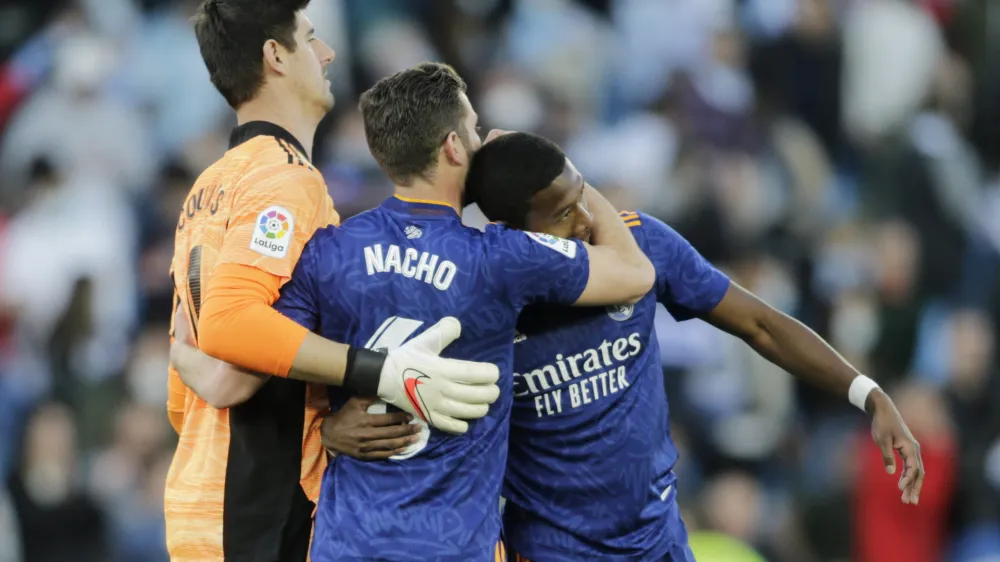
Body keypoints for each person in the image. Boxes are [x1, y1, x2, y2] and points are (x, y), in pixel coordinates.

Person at [325, 132, 927, 562]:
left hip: (659, 539)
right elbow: (392, 384)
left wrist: (869, 394)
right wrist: (327, 428)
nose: (588, 220)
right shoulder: (480, 295)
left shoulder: (639, 246)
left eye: (583, 195)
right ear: (515, 231)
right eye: (562, 213)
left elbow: (759, 323)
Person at [270, 61, 656, 562]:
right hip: (450, 546)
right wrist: (548, 162)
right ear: (453, 147)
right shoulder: (500, 257)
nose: (481, 143)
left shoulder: (327, 251)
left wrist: (325, 428)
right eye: (474, 131)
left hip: (347, 544)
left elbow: (270, 358)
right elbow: (633, 271)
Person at [165, 3, 499, 561]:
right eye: (311, 37)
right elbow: (231, 328)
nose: (328, 53)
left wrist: (187, 360)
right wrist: (383, 373)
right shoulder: (283, 180)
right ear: (275, 56)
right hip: (258, 508)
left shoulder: (210, 186)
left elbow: (198, 382)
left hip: (203, 492)